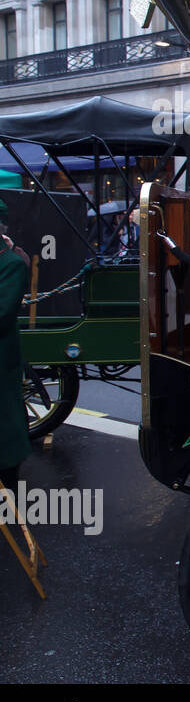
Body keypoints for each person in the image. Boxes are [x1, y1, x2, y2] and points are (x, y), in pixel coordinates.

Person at [0, 199, 32, 490]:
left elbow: (2, 313)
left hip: (1, 355)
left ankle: (8, 484)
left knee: (5, 419)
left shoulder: (11, 264)